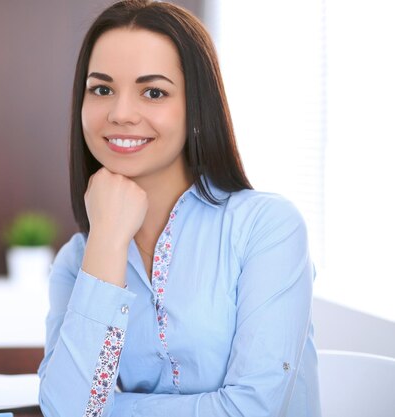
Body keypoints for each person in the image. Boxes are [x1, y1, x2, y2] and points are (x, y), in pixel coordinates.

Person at [37, 1, 320, 416]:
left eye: (154, 92)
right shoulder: (79, 259)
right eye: (102, 89)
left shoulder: (268, 229)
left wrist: (109, 410)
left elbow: (252, 410)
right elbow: (66, 411)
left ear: (196, 108)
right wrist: (108, 243)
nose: (120, 114)